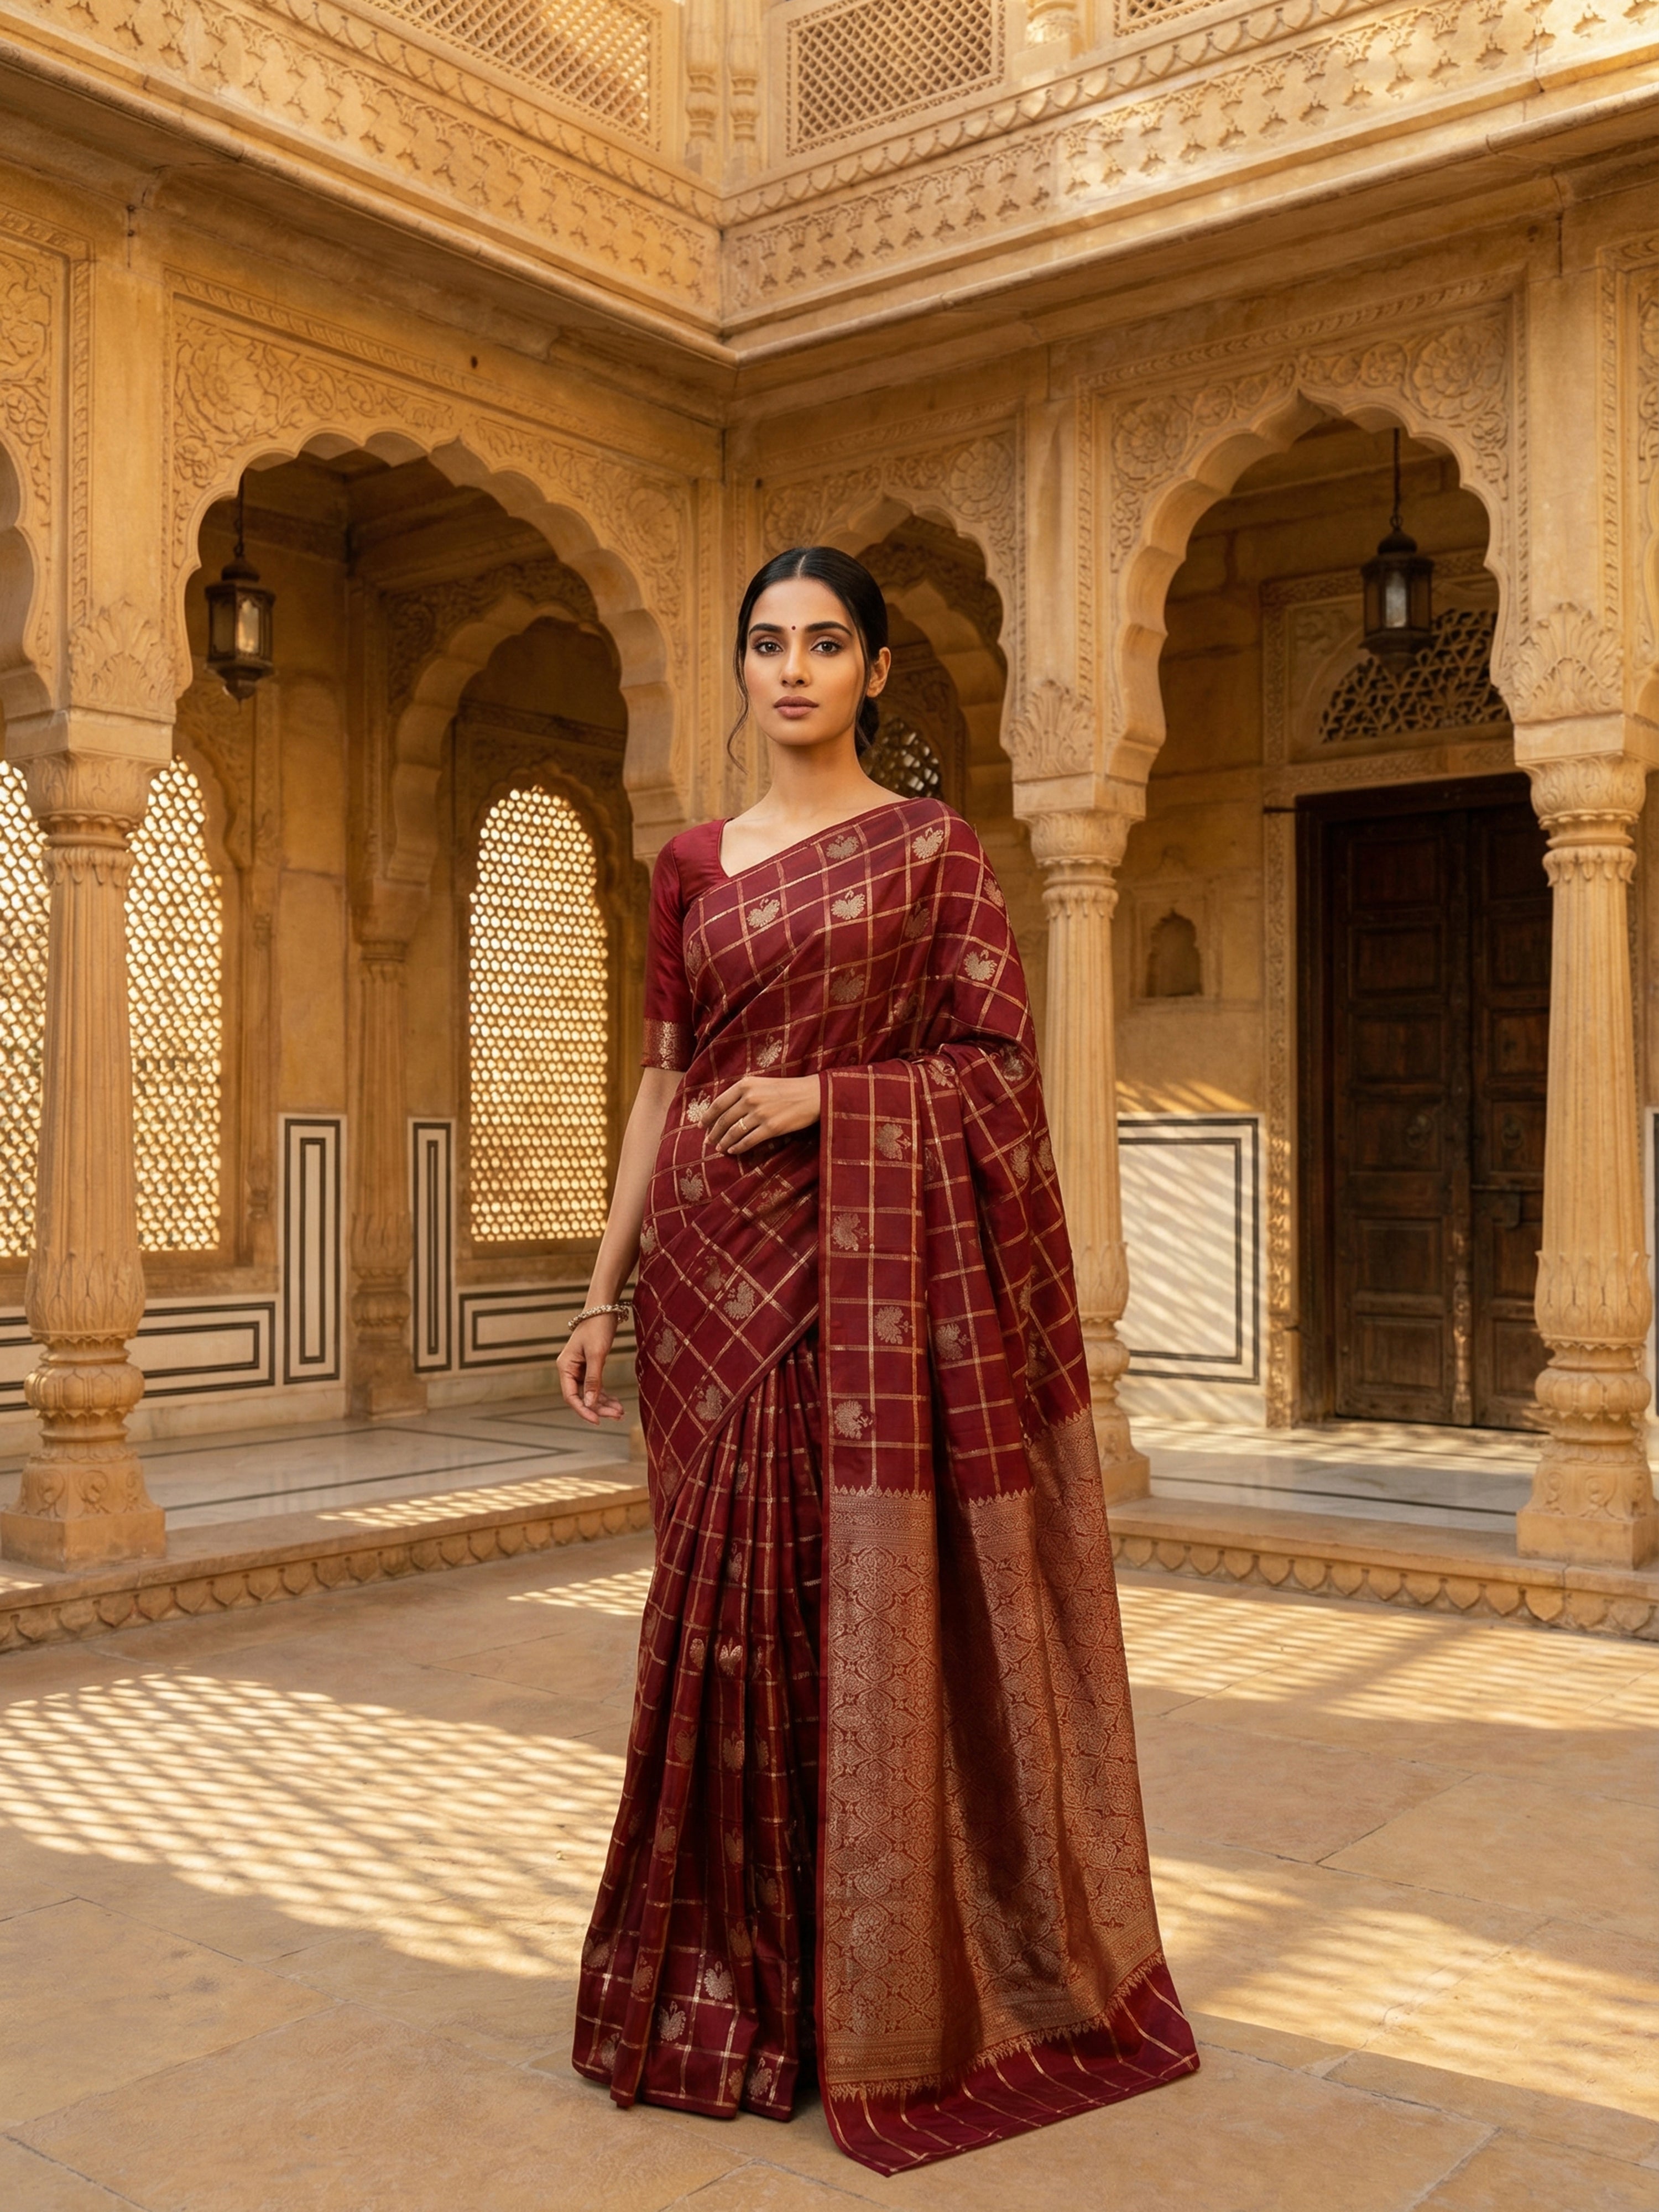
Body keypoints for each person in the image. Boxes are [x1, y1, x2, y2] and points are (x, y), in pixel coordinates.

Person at [558, 546, 1198, 2176]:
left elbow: (995, 1069)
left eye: (826, 644)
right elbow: (660, 1088)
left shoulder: (931, 856)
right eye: (766, 642)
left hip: (855, 1285)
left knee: (836, 1617)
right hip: (701, 1290)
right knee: (708, 1627)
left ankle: (860, 1999)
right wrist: (598, 1284)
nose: (792, 670)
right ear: (740, 666)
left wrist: (835, 1101)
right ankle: (721, 1986)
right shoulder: (690, 867)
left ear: (876, 672)